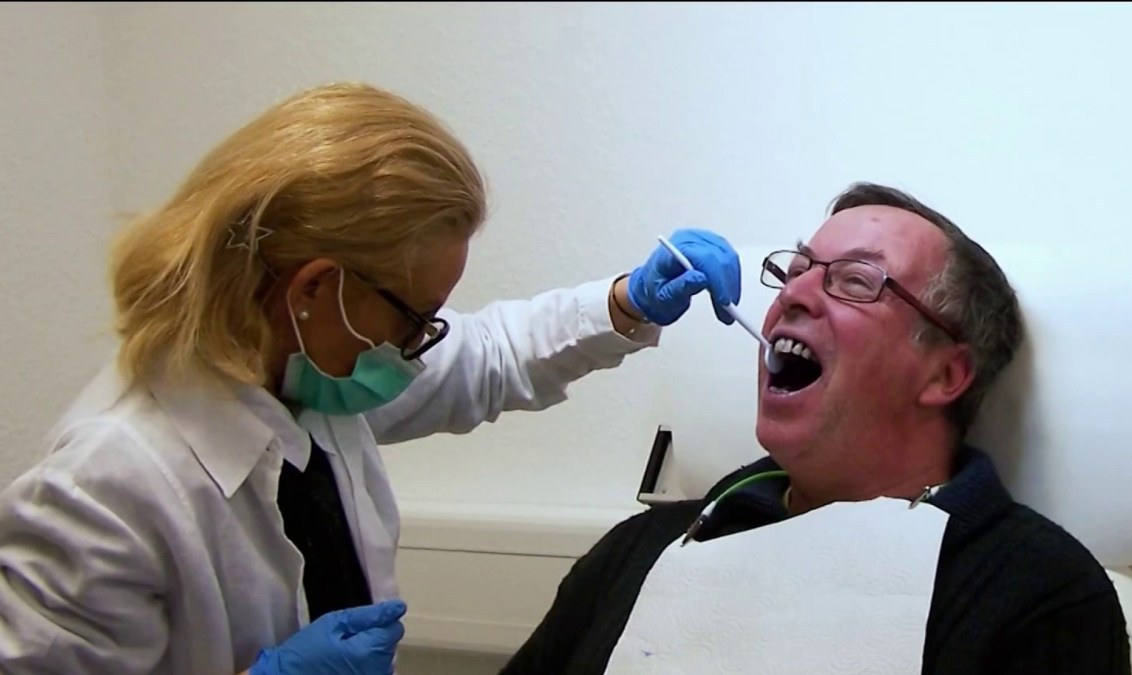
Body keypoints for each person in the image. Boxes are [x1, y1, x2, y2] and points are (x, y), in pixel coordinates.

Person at [0, 82, 744, 675]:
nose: (420, 347)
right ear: (313, 288)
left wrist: (625, 302)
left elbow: (489, 355)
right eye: (417, 317)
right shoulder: (103, 489)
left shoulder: (305, 378)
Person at [501, 182, 1131, 675]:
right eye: (794, 270)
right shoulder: (638, 554)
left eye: (855, 280)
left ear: (944, 374)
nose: (793, 294)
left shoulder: (1038, 595)